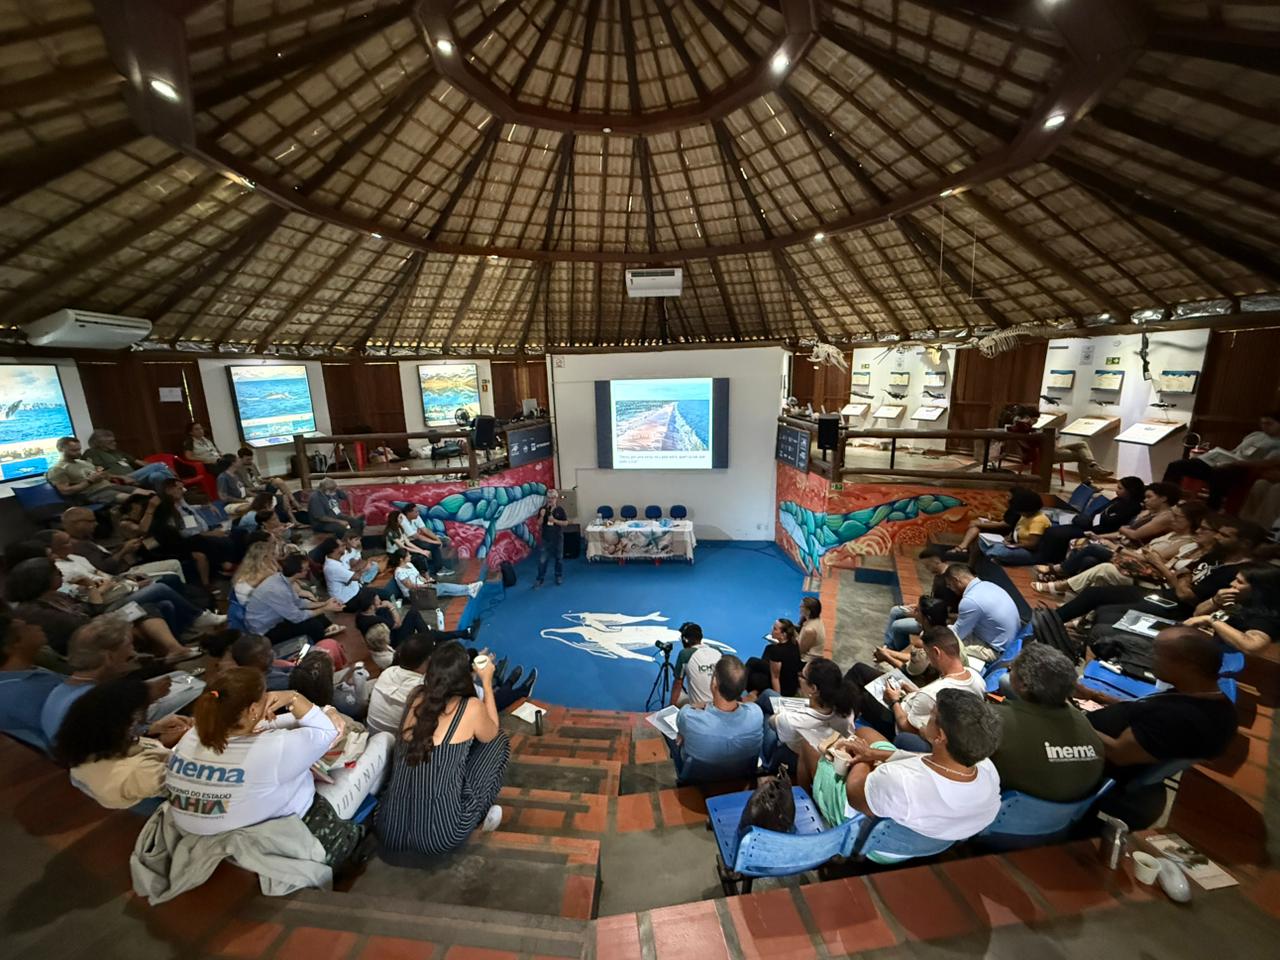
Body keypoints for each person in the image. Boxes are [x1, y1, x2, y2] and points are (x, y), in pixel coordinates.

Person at [165, 668, 371, 864]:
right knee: (383, 744)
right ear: (253, 710)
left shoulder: (195, 735)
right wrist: (293, 697)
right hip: (287, 832)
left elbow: (263, 730)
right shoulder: (273, 749)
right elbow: (328, 732)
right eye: (266, 694)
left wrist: (325, 710)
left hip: (202, 835)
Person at [809, 689, 1002, 842]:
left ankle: (817, 810)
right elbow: (923, 758)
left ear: (940, 736)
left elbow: (854, 796)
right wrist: (871, 753)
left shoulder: (899, 780)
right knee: (866, 732)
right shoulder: (986, 768)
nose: (927, 717)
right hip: (928, 842)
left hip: (880, 843)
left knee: (810, 748)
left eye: (932, 714)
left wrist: (864, 759)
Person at [376, 642, 511, 859]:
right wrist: (486, 683)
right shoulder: (471, 707)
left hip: (390, 829)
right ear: (464, 675)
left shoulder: (415, 696)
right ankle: (480, 814)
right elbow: (491, 733)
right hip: (441, 836)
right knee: (498, 742)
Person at [1078, 626, 1237, 779]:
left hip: (1083, 759)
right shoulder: (1209, 698)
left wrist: (1068, 717)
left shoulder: (1175, 719)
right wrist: (1094, 695)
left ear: (1187, 665)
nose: (1149, 657)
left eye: (1157, 653)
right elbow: (1142, 708)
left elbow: (1118, 754)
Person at [1052, 516, 1267, 624]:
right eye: (1218, 533)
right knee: (1095, 593)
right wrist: (1182, 581)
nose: (1218, 538)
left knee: (1107, 612)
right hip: (1168, 593)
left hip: (1179, 608)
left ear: (1245, 544)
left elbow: (1188, 595)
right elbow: (1184, 577)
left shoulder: (1239, 572)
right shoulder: (1217, 555)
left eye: (1225, 536)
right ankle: (1050, 621)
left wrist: (1182, 582)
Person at [46, 528, 222, 640]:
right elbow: (93, 598)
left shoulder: (76, 557)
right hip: (106, 606)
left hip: (117, 587)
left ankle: (186, 630)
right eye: (66, 542)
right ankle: (198, 616)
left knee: (166, 594)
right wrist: (106, 585)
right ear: (52, 549)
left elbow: (102, 575)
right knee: (160, 587)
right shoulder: (61, 571)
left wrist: (126, 581)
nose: (72, 544)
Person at [7, 557, 192, 660]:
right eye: (55, 572)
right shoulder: (35, 610)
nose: (61, 574)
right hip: (82, 642)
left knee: (159, 605)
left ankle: (172, 651)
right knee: (152, 601)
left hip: (94, 624)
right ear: (41, 579)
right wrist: (92, 590)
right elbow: (82, 622)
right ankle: (174, 649)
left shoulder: (55, 596)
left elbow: (89, 610)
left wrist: (90, 589)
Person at [55, 676, 192, 810]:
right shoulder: (139, 773)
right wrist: (193, 739)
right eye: (135, 720)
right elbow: (195, 784)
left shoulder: (84, 743)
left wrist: (151, 730)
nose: (138, 723)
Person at [989, 645, 1104, 802]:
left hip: (1013, 813)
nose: (1009, 672)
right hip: (1069, 815)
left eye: (1011, 669)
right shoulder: (1081, 719)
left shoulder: (996, 719)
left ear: (1024, 685)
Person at [1034, 500, 1208, 597]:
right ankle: (1070, 592)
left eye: (1177, 517)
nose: (1171, 520)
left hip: (1141, 568)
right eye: (1172, 516)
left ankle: (1058, 574)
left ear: (1191, 521)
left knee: (1094, 552)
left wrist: (1116, 548)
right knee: (1089, 557)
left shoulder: (1185, 542)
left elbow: (1147, 556)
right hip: (1132, 558)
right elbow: (1143, 547)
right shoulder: (1170, 534)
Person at [847, 626, 988, 744]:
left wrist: (894, 701)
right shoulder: (976, 678)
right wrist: (913, 691)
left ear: (936, 652)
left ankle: (843, 725)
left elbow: (905, 727)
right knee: (860, 670)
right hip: (915, 701)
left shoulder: (931, 693)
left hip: (895, 719)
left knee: (863, 694)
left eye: (927, 654)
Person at [39, 617, 168, 744]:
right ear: (109, 657)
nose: (134, 653)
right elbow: (125, 739)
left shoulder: (60, 691)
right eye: (129, 649)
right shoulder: (97, 699)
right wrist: (146, 699)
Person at [669, 656, 762, 783]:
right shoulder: (756, 714)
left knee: (673, 735)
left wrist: (703, 705)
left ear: (714, 683)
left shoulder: (688, 716)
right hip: (741, 777)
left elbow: (684, 715)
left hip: (697, 781)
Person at [762, 658, 858, 781]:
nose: (799, 677)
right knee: (767, 695)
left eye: (802, 675)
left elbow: (772, 722)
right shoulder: (847, 708)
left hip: (793, 755)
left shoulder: (792, 720)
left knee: (762, 714)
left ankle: (766, 765)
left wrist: (783, 714)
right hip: (823, 747)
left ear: (813, 688)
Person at [1163, 411, 1280, 506]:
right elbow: (1235, 451)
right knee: (1178, 465)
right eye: (1262, 423)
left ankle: (1212, 507)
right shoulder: (1256, 435)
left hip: (1243, 469)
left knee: (1219, 473)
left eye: (1269, 424)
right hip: (1229, 461)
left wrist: (1238, 463)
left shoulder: (1277, 443)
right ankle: (1166, 497)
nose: (1264, 426)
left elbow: (1267, 463)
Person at [1036, 476, 1147, 564]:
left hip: (1100, 530)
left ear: (1130, 491)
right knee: (1051, 530)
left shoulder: (1133, 506)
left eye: (1120, 488)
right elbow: (1101, 512)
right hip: (1091, 523)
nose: (1116, 490)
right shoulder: (1118, 499)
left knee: (1058, 534)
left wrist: (1094, 521)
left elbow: (1112, 521)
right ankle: (1041, 554)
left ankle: (1051, 560)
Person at [60, 506, 185, 582]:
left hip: (124, 571)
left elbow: (104, 557)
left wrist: (124, 547)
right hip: (121, 576)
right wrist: (124, 550)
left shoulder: (83, 538)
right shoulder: (76, 545)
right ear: (78, 523)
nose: (96, 524)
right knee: (174, 564)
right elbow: (105, 568)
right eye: (91, 521)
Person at [244, 560, 344, 646]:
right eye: (306, 569)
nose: (308, 570)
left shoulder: (282, 579)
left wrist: (324, 604)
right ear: (298, 572)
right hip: (266, 630)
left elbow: (299, 603)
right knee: (313, 626)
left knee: (314, 612)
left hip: (275, 619)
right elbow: (297, 617)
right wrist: (325, 608)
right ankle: (321, 647)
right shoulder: (278, 590)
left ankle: (327, 628)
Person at [0, 612, 62, 750]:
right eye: (27, 627)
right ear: (12, 646)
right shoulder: (21, 693)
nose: (37, 626)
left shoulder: (27, 671)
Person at [1184, 565, 1280, 654]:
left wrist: (1211, 620)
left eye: (1240, 582)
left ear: (1258, 589)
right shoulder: (1241, 601)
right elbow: (1197, 614)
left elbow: (1252, 647)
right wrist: (1215, 601)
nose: (1232, 583)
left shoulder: (1266, 616)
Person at [883, 546, 959, 651]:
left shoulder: (947, 583)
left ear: (936, 561)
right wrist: (918, 606)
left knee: (897, 626)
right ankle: (888, 645)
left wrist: (920, 613)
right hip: (928, 611)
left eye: (927, 565)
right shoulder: (939, 575)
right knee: (895, 610)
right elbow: (934, 600)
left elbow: (942, 612)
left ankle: (898, 650)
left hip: (935, 621)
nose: (926, 568)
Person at [944, 564, 1021, 663]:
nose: (951, 589)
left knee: (946, 644)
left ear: (956, 580)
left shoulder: (970, 600)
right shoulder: (988, 584)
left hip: (996, 651)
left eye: (950, 585)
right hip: (1012, 642)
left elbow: (957, 634)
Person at [47, 436, 147, 504]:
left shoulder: (83, 462)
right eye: (74, 450)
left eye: (79, 449)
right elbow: (65, 491)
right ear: (61, 449)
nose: (78, 453)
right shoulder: (57, 469)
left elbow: (103, 475)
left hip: (110, 486)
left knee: (150, 495)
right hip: (93, 494)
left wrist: (117, 476)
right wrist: (90, 481)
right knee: (136, 500)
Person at [954, 487, 1043, 554]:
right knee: (976, 529)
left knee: (976, 528)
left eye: (1008, 496)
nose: (1006, 498)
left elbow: (1006, 524)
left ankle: (963, 547)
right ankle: (964, 549)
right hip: (1010, 538)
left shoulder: (1036, 519)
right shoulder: (1018, 512)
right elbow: (1008, 519)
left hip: (1011, 539)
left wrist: (1014, 544)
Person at [84, 429, 175, 490]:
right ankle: (180, 487)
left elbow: (139, 462)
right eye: (110, 442)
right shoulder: (92, 453)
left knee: (157, 476)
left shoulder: (118, 452)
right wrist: (121, 477)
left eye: (114, 441)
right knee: (158, 465)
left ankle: (169, 501)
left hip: (135, 477)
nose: (115, 443)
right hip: (121, 479)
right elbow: (97, 472)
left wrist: (159, 468)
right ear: (99, 443)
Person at [976, 494, 1049, 565]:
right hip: (1015, 544)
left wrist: (1015, 545)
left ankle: (996, 556)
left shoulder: (1038, 520)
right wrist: (1008, 539)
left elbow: (1032, 544)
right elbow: (1017, 529)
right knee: (982, 540)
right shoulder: (1025, 516)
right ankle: (995, 556)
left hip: (1030, 551)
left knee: (999, 550)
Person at [744, 618, 803, 698]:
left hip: (784, 688)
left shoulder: (777, 651)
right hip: (791, 682)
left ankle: (740, 685)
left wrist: (777, 698)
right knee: (768, 648)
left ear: (783, 634)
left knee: (753, 674)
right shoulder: (794, 643)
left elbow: (775, 678)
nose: (772, 630)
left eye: (775, 629)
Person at [669, 622, 721, 706]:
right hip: (721, 706)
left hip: (699, 709)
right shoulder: (717, 651)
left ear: (684, 640)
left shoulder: (685, 654)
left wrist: (671, 707)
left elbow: (678, 684)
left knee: (680, 695)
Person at [397, 503, 449, 575]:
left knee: (442, 542)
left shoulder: (416, 517)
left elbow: (424, 529)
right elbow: (416, 536)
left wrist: (437, 539)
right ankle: (439, 569)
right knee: (434, 546)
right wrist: (434, 542)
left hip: (416, 539)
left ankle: (439, 568)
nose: (418, 513)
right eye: (416, 512)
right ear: (408, 513)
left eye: (418, 511)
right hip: (409, 542)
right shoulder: (403, 520)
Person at [533, 489, 568, 588]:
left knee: (559, 558)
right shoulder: (543, 509)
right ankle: (540, 578)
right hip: (546, 538)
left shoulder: (560, 510)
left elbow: (566, 523)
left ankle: (558, 576)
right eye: (548, 498)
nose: (550, 500)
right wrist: (542, 516)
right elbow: (538, 524)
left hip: (558, 538)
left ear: (556, 498)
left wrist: (555, 520)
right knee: (542, 560)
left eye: (552, 498)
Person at [797, 596, 826, 661]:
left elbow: (800, 651)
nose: (799, 607)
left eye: (802, 606)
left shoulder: (809, 630)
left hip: (807, 661)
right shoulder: (817, 620)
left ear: (809, 611)